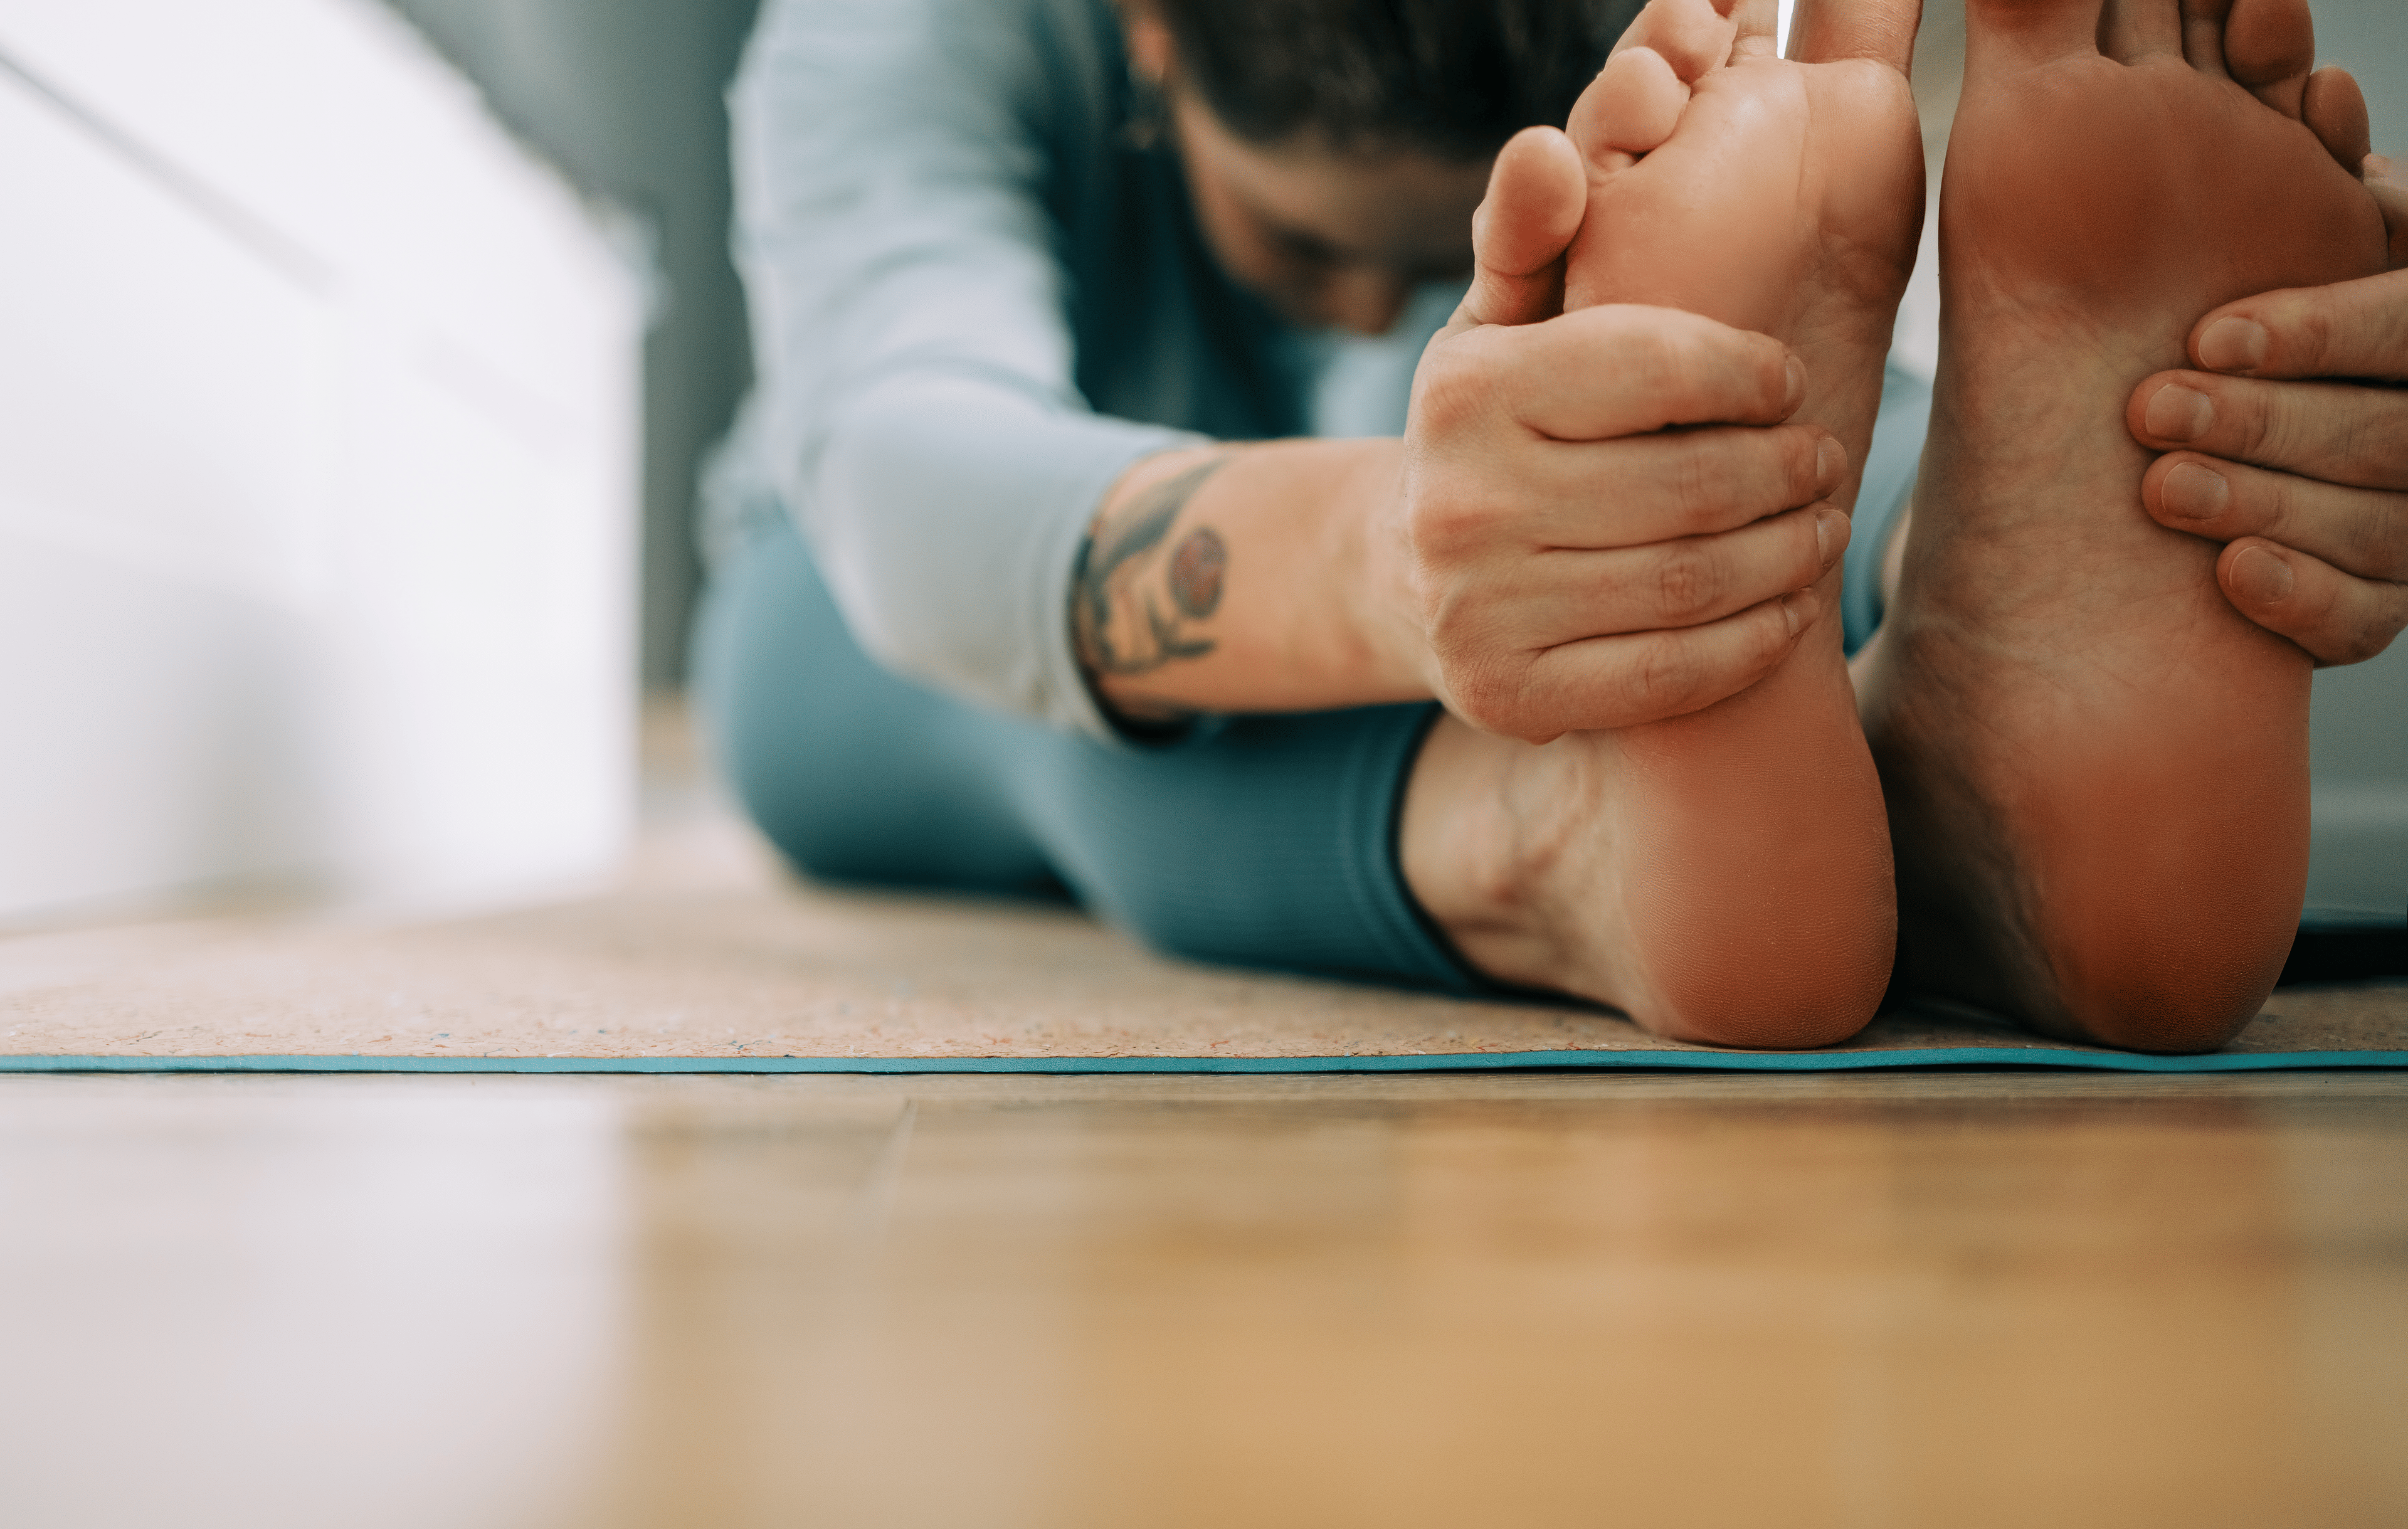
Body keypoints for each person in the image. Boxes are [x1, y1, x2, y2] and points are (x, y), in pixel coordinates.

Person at [697, 0, 2408, 1052]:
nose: (1379, 326)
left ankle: (1937, 730)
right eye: (1307, 256)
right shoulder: (905, 25)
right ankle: (1540, 824)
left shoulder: (1693, 29)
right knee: (1010, 687)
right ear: (1150, 22)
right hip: (880, 619)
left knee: (1743, 469)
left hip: (1549, 533)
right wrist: (1383, 562)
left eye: (1446, 265)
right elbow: (905, 468)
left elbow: (1818, 414)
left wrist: (2215, 454)